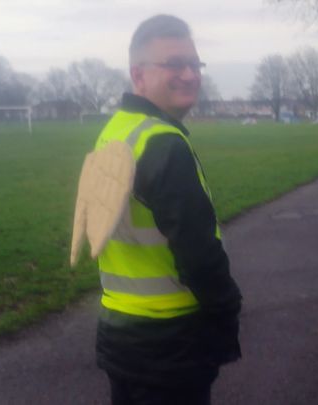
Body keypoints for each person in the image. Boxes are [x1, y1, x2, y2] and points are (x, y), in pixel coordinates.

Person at [91, 15, 242, 404]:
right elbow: (199, 254)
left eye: (195, 64)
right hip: (169, 342)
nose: (190, 75)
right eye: (174, 64)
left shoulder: (116, 130)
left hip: (119, 331)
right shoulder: (163, 143)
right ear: (138, 75)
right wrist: (227, 314)